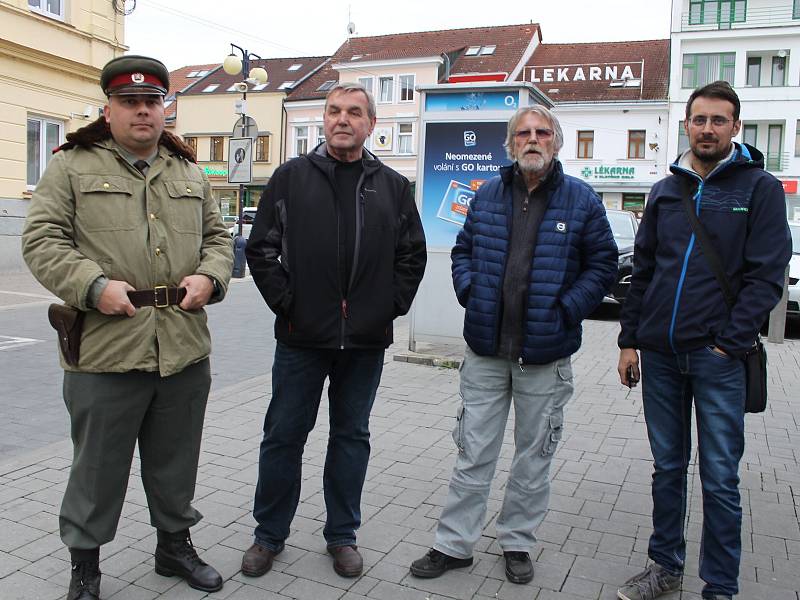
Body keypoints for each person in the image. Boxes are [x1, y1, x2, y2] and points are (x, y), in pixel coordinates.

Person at [22, 55, 233, 600]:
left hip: (183, 347)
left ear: (164, 108)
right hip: (105, 351)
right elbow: (42, 241)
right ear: (109, 109)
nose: (143, 112)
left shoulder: (187, 171)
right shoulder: (73, 166)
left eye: (152, 102)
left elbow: (219, 239)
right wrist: (93, 286)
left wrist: (211, 276)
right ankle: (85, 568)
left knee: (176, 460)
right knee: (97, 468)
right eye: (130, 102)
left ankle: (173, 547)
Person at [410, 105, 617, 584]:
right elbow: (463, 250)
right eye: (522, 133)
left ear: (556, 142)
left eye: (542, 132)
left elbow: (603, 264)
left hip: (544, 354)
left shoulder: (581, 199)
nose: (532, 139)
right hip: (485, 349)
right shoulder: (485, 195)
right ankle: (454, 544)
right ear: (509, 143)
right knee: (472, 450)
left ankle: (517, 542)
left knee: (533, 456)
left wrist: (567, 308)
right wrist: (470, 290)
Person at [243, 82, 427, 578]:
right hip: (302, 337)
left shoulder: (392, 186)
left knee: (351, 436)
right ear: (323, 121)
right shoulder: (289, 178)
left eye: (354, 112)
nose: (342, 120)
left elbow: (412, 256)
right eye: (333, 112)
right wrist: (289, 303)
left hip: (364, 342)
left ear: (371, 125)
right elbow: (260, 249)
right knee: (283, 436)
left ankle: (342, 535)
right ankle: (269, 534)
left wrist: (385, 309)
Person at [616, 81, 791, 600]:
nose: (708, 128)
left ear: (736, 127)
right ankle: (664, 568)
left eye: (719, 120)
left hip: (718, 359)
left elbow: (767, 275)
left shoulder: (758, 188)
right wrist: (629, 339)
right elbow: (643, 270)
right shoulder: (666, 190)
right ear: (686, 124)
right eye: (699, 120)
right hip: (661, 357)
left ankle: (720, 586)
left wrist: (729, 342)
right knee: (667, 468)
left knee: (719, 478)